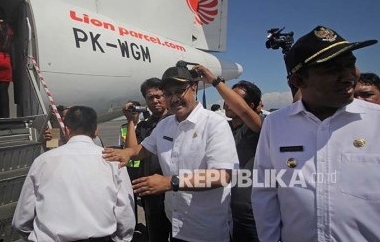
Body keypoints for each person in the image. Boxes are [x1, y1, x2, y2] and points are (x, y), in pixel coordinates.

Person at [252, 25, 380, 241]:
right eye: (332, 68)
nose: (349, 76)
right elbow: (266, 192)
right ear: (298, 81)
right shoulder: (276, 124)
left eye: (350, 64)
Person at [104, 66, 238, 242]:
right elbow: (142, 150)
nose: (174, 99)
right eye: (168, 94)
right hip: (176, 224)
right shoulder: (165, 125)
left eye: (180, 91)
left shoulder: (214, 124)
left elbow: (222, 176)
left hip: (207, 230)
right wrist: (126, 153)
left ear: (193, 88)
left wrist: (170, 182)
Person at [13, 106, 135, 242]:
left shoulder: (43, 161)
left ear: (66, 130)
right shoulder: (113, 160)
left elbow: (22, 219)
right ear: (96, 131)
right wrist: (122, 239)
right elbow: (125, 211)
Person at [194, 65, 263, 242]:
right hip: (223, 210)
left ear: (252, 105)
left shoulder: (260, 127)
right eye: (227, 98)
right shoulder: (223, 129)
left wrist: (215, 82)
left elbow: (245, 112)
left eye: (234, 99)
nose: (227, 102)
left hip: (250, 214)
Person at [123, 78, 170, 242]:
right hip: (151, 189)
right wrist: (131, 121)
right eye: (150, 98)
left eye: (159, 96)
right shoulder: (145, 126)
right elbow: (131, 151)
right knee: (156, 235)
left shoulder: (177, 121)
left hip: (174, 186)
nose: (155, 101)